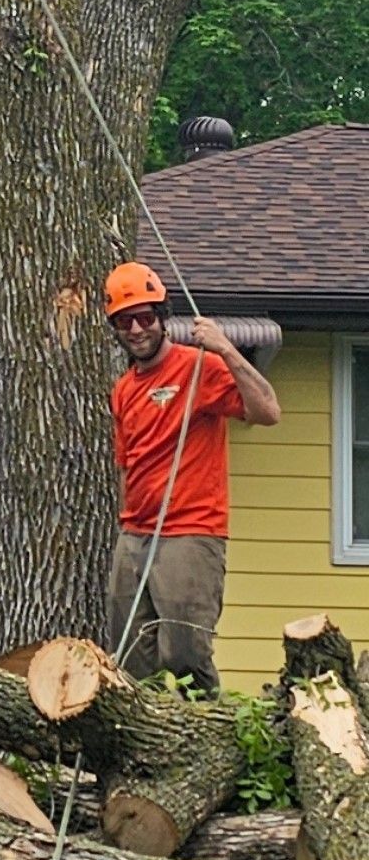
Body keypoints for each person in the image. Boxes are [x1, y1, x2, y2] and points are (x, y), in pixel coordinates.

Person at [105, 262, 280, 694]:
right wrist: (128, 529)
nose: (136, 329)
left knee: (184, 655)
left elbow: (268, 413)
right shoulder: (124, 389)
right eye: (125, 321)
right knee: (128, 658)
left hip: (190, 531)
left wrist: (226, 348)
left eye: (145, 317)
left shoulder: (198, 367)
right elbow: (127, 465)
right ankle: (142, 751)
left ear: (163, 317)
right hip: (135, 535)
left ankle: (207, 735)